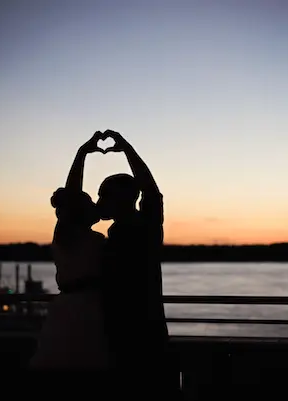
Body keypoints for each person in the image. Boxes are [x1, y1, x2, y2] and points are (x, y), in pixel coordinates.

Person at [96, 130, 179, 394]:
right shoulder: (129, 229)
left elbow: (151, 189)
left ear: (122, 199)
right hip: (124, 330)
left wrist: (127, 149)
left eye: (103, 196)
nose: (99, 203)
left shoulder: (146, 226)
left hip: (142, 331)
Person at [29, 132, 110, 370]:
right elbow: (73, 191)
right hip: (77, 311)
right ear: (77, 211)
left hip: (90, 306)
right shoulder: (68, 233)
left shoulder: (82, 235)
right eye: (88, 202)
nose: (95, 204)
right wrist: (82, 153)